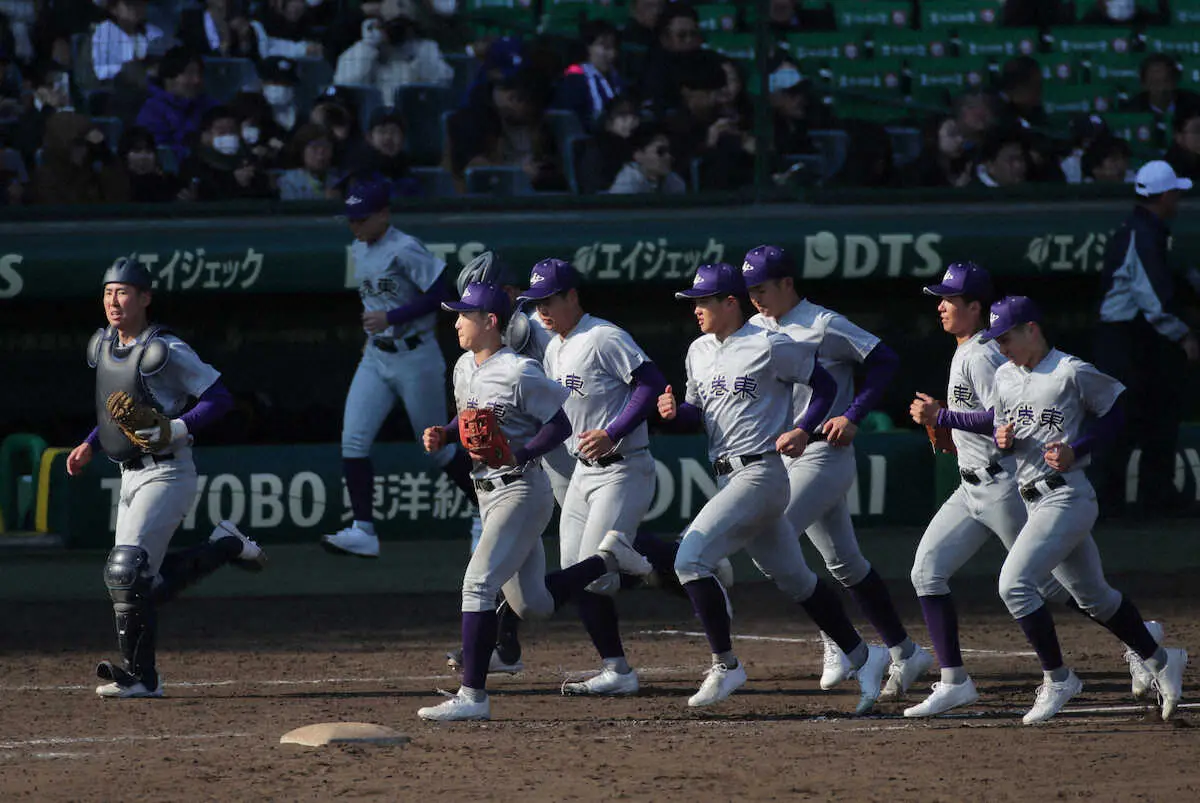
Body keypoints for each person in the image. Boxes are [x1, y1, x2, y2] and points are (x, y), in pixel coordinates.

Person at [904, 262, 1142, 717]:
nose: (941, 307)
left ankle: (1140, 641)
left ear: (976, 308)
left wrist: (944, 417)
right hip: (970, 487)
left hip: (1004, 486)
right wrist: (944, 425)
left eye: (950, 300)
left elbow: (1001, 422)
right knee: (926, 572)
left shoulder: (986, 353)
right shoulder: (966, 350)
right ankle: (954, 680)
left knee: (1048, 586)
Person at [415, 280, 653, 721]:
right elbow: (468, 417)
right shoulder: (465, 367)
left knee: (477, 585)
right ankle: (608, 558)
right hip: (488, 493)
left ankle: (473, 697)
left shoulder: (520, 370)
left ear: (490, 322)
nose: (456, 321)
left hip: (522, 490)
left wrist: (522, 455)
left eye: (464, 314)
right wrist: (445, 433)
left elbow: (561, 424)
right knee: (534, 604)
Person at [657, 262, 889, 711]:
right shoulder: (698, 351)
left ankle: (726, 666)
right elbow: (694, 416)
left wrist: (805, 428)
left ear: (730, 303)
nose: (696, 310)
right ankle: (866, 656)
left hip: (762, 471)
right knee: (795, 579)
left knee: (690, 559)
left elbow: (822, 387)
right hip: (726, 471)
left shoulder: (769, 344)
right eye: (693, 302)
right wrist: (672, 413)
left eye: (703, 301)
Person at [65, 258, 266, 698]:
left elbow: (219, 398)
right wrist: (89, 444)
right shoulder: (103, 346)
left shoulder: (165, 349)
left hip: (168, 471)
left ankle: (141, 678)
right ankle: (224, 546)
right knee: (142, 583)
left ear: (145, 298)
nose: (113, 302)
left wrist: (177, 427)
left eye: (123, 292)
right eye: (107, 292)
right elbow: (116, 412)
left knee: (127, 573)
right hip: (129, 475)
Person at [981, 295, 1187, 723]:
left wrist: (1080, 447)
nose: (1001, 347)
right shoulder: (1003, 376)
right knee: (1095, 598)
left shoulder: (1070, 370)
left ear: (1032, 329)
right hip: (1031, 496)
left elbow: (1118, 407)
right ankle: (1163, 659)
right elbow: (1006, 433)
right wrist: (1003, 441)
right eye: (996, 340)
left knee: (1014, 585)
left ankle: (1058, 678)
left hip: (1068, 495)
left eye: (1007, 337)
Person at [741, 245, 930, 700]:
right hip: (779, 454)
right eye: (749, 290)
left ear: (787, 283)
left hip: (824, 452)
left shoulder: (823, 323)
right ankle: (905, 651)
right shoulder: (751, 329)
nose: (755, 298)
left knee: (773, 537)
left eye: (762, 288)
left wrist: (855, 414)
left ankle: (840, 642)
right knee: (845, 562)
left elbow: (884, 359)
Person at [512, 258, 666, 695]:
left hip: (624, 468)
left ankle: (669, 561)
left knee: (594, 574)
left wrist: (614, 430)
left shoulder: (603, 336)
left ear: (572, 296)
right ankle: (616, 669)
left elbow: (651, 382)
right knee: (581, 575)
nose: (541, 310)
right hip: (582, 472)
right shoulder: (554, 346)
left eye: (549, 300)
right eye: (536, 302)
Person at [320, 177, 477, 558]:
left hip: (415, 356)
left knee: (437, 448)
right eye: (351, 219)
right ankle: (363, 530)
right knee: (353, 441)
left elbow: (443, 295)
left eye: (361, 218)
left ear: (383, 215)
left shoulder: (405, 247)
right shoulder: (360, 249)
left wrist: (392, 314)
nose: (354, 225)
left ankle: (484, 510)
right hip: (376, 355)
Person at [1093, 161, 1199, 518]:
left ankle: (1157, 496)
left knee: (1156, 415)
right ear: (1165, 195)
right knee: (1127, 419)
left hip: (1136, 339)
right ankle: (1106, 502)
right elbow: (1153, 299)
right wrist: (1184, 335)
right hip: (1126, 340)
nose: (1179, 200)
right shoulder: (1143, 232)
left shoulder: (1146, 229)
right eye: (1176, 194)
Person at [333, 12, 453, 103]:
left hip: (417, 116)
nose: (396, 31)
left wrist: (417, 54)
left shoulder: (425, 48)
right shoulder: (365, 50)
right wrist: (368, 46)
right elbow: (345, 84)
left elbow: (442, 83)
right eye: (390, 26)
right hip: (378, 119)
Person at [30, 112, 130, 205]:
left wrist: (105, 155)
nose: (84, 150)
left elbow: (119, 199)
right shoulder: (46, 178)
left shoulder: (94, 171)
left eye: (86, 145)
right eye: (77, 144)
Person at [178, 105, 274, 201]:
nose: (228, 135)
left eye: (232, 130)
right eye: (221, 131)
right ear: (206, 135)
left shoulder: (250, 162)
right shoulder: (193, 165)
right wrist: (233, 182)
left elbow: (265, 198)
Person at [135, 46, 213, 164]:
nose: (197, 80)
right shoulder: (152, 112)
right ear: (169, 77)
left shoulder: (208, 105)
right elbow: (161, 154)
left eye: (199, 74)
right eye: (189, 74)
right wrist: (197, 144)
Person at [554, 20, 623, 132]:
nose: (611, 54)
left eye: (613, 47)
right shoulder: (575, 79)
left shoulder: (616, 78)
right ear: (588, 47)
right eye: (605, 47)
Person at [91, 0, 163, 83]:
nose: (135, 9)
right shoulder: (104, 32)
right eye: (129, 5)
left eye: (140, 4)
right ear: (114, 9)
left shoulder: (153, 32)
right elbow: (103, 73)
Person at [608, 125, 686, 194]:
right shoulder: (626, 186)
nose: (668, 156)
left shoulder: (674, 181)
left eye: (670, 151)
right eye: (660, 151)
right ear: (638, 155)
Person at [278, 123, 343, 200]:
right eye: (314, 148)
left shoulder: (339, 179)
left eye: (326, 147)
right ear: (302, 151)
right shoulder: (289, 181)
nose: (320, 155)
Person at [119, 125, 180, 203]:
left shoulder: (168, 183)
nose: (144, 157)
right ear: (125, 156)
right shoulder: (116, 185)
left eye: (149, 151)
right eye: (137, 150)